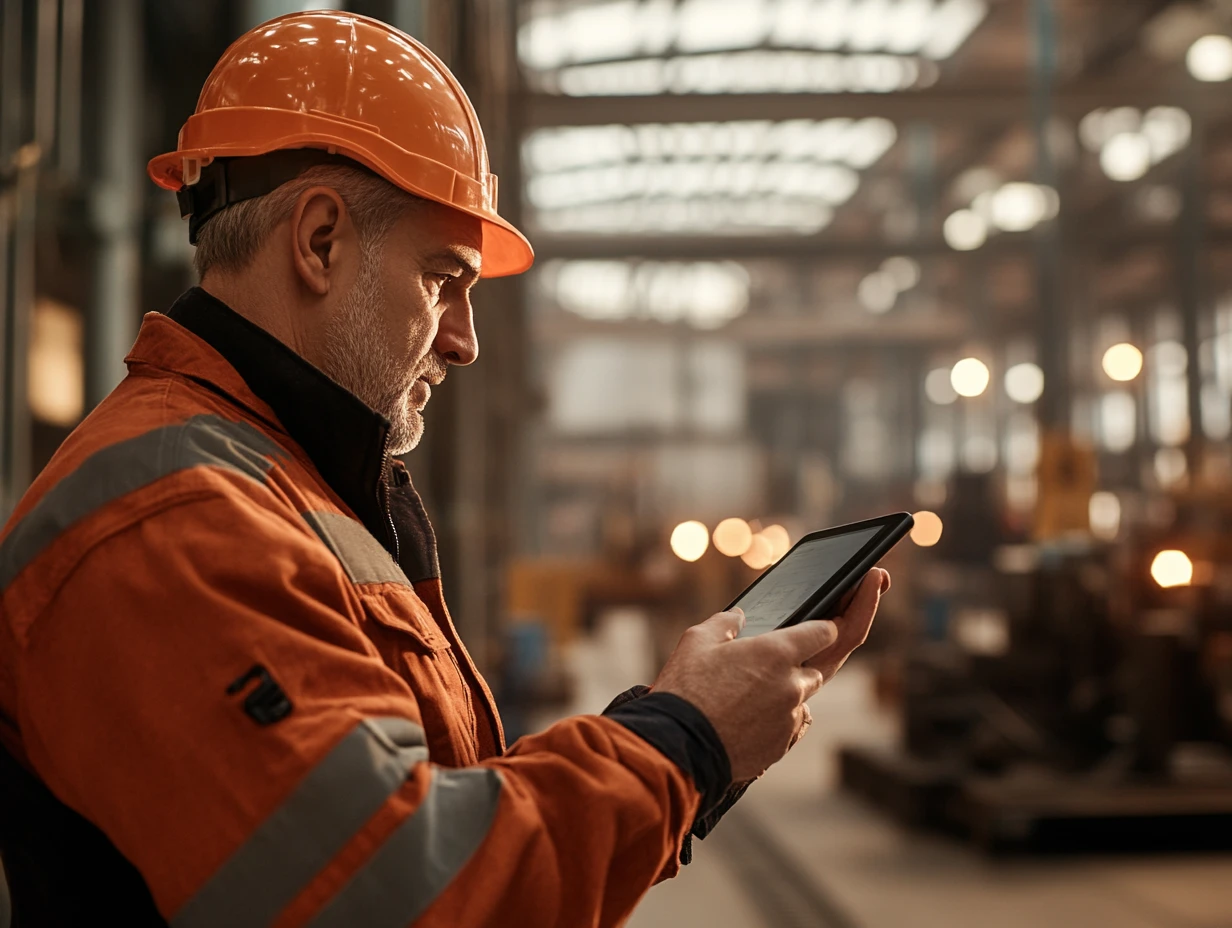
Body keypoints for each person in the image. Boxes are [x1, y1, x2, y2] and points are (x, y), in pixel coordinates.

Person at [0, 11, 889, 927]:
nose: (463, 343)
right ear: (319, 242)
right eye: (442, 280)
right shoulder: (172, 521)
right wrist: (684, 743)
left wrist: (675, 724)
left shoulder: (286, 483)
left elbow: (438, 807)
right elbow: (402, 896)